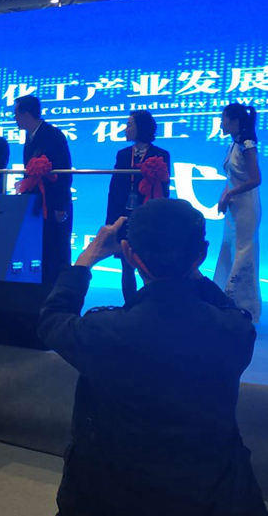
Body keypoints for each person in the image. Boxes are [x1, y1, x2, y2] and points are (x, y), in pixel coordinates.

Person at [39, 199, 266, 516]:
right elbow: (228, 310)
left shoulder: (102, 331)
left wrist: (86, 259)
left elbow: (52, 319)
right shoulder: (234, 332)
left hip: (105, 498)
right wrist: (190, 269)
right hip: (213, 497)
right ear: (201, 255)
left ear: (129, 253)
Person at [106, 110, 170, 302]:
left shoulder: (161, 155)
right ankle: (130, 305)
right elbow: (115, 189)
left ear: (141, 127)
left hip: (149, 216)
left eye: (129, 125)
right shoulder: (123, 154)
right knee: (126, 265)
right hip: (124, 214)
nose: (125, 129)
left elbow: (164, 190)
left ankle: (151, 304)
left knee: (149, 263)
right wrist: (111, 222)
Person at [14, 95, 72, 284]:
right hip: (36, 202)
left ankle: (62, 289)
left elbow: (64, 172)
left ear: (26, 114)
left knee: (58, 249)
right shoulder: (30, 137)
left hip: (54, 202)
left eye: (16, 114)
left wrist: (60, 205)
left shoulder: (52, 135)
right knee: (41, 249)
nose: (14, 119)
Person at [214, 103, 262, 323]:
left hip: (246, 207)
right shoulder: (233, 144)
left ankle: (244, 305)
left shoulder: (247, 145)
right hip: (235, 206)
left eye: (224, 119)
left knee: (244, 251)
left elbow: (255, 179)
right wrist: (224, 195)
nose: (221, 124)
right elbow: (231, 178)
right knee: (229, 248)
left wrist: (230, 194)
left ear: (234, 121)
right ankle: (226, 299)